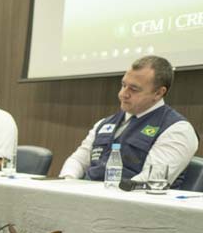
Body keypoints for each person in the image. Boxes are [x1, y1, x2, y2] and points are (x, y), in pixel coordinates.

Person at [58, 55, 199, 185]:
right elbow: (78, 160)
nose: (123, 94)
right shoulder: (104, 123)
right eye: (123, 85)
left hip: (133, 207)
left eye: (134, 89)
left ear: (158, 93)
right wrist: (67, 183)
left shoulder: (177, 129)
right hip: (86, 200)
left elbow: (150, 181)